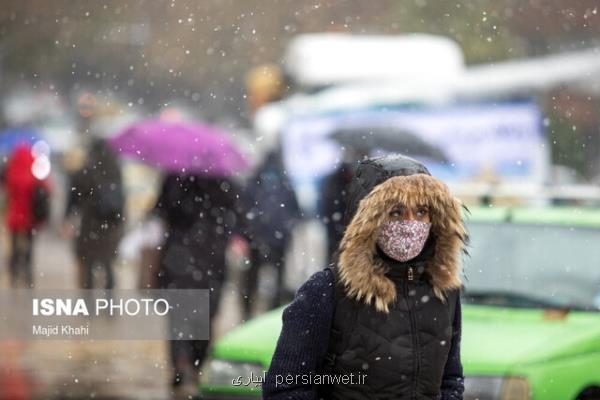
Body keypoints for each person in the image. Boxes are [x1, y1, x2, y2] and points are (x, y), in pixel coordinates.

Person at [263, 155, 466, 400]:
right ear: (369, 221)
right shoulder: (327, 290)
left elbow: (450, 381)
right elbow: (286, 387)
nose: (410, 224)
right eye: (396, 212)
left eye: (421, 211)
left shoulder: (443, 290)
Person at [153, 173, 241, 388]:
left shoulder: (174, 179)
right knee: (204, 316)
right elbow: (237, 217)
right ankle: (195, 364)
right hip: (210, 258)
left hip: (179, 256)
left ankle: (180, 364)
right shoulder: (224, 181)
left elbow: (161, 211)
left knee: (178, 317)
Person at [239, 151, 301, 319]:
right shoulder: (285, 183)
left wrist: (246, 233)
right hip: (276, 238)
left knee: (253, 276)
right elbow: (297, 212)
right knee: (274, 276)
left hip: (259, 238)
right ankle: (271, 311)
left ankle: (249, 310)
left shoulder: (254, 183)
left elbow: (242, 209)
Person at [63, 139, 124, 289]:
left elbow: (73, 199)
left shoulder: (86, 171)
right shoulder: (115, 170)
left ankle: (89, 305)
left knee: (88, 262)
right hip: (111, 224)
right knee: (107, 262)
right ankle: (109, 305)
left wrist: (67, 217)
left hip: (90, 224)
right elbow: (121, 198)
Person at [3, 146, 50, 288]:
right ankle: (28, 275)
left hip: (14, 216)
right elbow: (46, 190)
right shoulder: (34, 174)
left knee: (14, 246)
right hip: (29, 217)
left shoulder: (11, 173)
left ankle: (14, 274)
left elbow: (7, 192)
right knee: (29, 247)